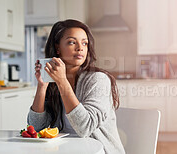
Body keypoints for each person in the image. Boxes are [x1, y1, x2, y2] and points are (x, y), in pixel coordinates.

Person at [27, 19, 125, 154]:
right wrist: (42, 86)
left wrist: (62, 82)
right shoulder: (54, 82)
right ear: (57, 48)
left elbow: (84, 128)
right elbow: (36, 128)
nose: (80, 47)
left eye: (84, 43)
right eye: (72, 42)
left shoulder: (98, 80)